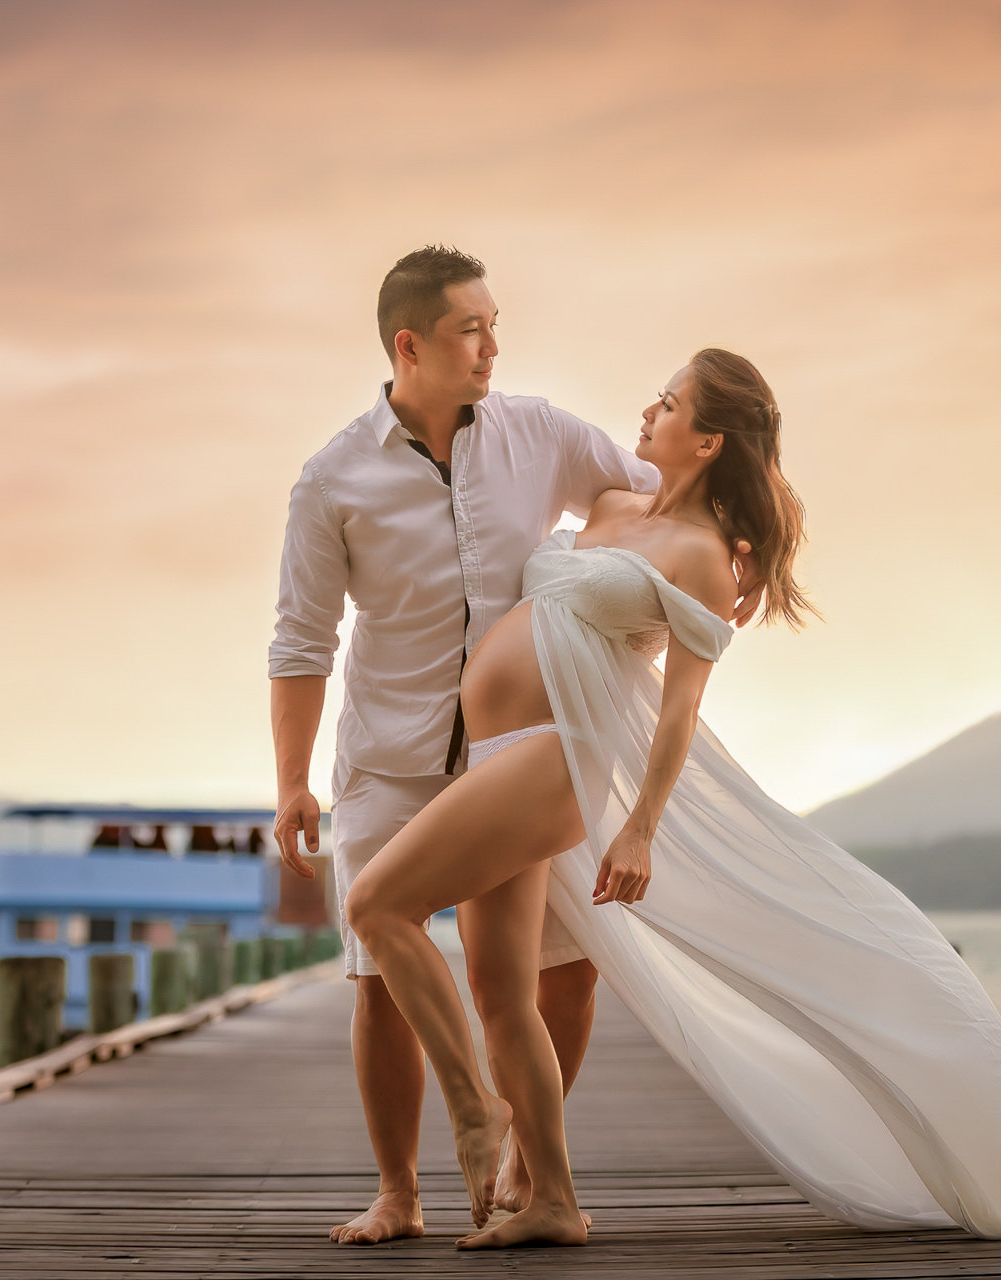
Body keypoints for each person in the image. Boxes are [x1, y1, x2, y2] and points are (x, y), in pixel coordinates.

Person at [345, 348, 1001, 1249]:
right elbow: (513, 472)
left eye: (668, 405)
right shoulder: (615, 504)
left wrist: (640, 831)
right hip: (498, 751)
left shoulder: (704, 559)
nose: (647, 412)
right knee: (503, 994)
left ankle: (472, 1111)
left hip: (555, 758)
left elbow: (678, 710)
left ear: (706, 439)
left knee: (375, 901)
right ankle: (552, 1200)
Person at [268, 247, 761, 1246]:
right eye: (471, 329)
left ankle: (536, 1172)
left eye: (495, 324)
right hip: (390, 754)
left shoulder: (543, 433)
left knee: (554, 974)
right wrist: (291, 779)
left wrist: (734, 553)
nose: (493, 345)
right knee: (376, 976)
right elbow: (300, 640)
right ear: (410, 345)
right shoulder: (332, 479)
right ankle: (402, 1191)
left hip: (523, 754)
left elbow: (663, 497)